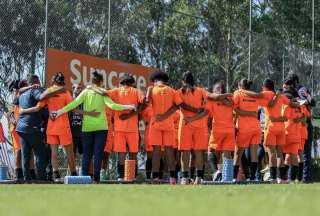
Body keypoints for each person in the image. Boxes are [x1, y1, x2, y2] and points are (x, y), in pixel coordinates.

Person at [51, 71, 136, 183]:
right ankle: (96, 178)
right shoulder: (102, 92)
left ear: (92, 81)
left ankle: (84, 177)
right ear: (101, 82)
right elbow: (113, 105)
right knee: (98, 153)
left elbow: (73, 104)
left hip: (87, 128)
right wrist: (130, 106)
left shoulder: (86, 91)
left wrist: (58, 112)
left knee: (87, 153)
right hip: (101, 128)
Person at [20, 73, 77, 181]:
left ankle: (56, 176)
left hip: (51, 127)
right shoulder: (65, 92)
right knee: (69, 152)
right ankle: (73, 174)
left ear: (53, 80)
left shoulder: (48, 91)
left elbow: (37, 108)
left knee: (54, 153)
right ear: (62, 81)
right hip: (64, 126)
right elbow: (73, 107)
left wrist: (23, 111)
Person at [145, 70, 183, 184]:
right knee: (169, 151)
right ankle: (173, 178)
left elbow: (146, 101)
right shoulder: (172, 90)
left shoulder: (152, 90)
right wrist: (165, 115)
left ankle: (155, 177)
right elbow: (177, 106)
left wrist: (149, 90)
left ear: (155, 81)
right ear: (165, 81)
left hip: (155, 124)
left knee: (156, 151)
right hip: (168, 124)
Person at [176, 72, 208, 185]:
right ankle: (199, 178)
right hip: (200, 126)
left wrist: (190, 119)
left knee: (185, 152)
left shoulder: (179, 92)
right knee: (198, 152)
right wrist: (195, 114)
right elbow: (205, 111)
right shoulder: (201, 91)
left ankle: (185, 178)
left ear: (182, 81)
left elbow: (181, 105)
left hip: (185, 124)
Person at [15, 75, 47, 181]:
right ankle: (41, 179)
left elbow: (16, 100)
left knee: (26, 155)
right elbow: (40, 97)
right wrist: (47, 92)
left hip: (21, 128)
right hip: (31, 127)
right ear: (36, 82)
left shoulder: (22, 94)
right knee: (41, 154)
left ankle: (26, 179)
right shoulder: (35, 90)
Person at [232, 79, 264, 181]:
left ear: (239, 86)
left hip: (244, 129)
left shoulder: (238, 94)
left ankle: (233, 178)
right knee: (254, 155)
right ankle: (252, 178)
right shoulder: (254, 95)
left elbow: (234, 109)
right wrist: (251, 114)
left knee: (238, 154)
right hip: (256, 128)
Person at [287, 73, 314, 183]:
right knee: (303, 153)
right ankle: (304, 178)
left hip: (295, 123)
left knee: (293, 153)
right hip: (304, 121)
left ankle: (291, 177)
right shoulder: (302, 89)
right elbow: (312, 101)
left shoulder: (289, 90)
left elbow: (312, 102)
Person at [206, 81, 234, 182]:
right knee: (227, 153)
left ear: (216, 90)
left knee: (210, 150)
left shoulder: (212, 100)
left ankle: (216, 172)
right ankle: (227, 178)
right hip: (230, 130)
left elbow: (209, 118)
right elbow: (232, 106)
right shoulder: (231, 98)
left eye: (214, 90)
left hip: (217, 129)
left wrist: (209, 130)